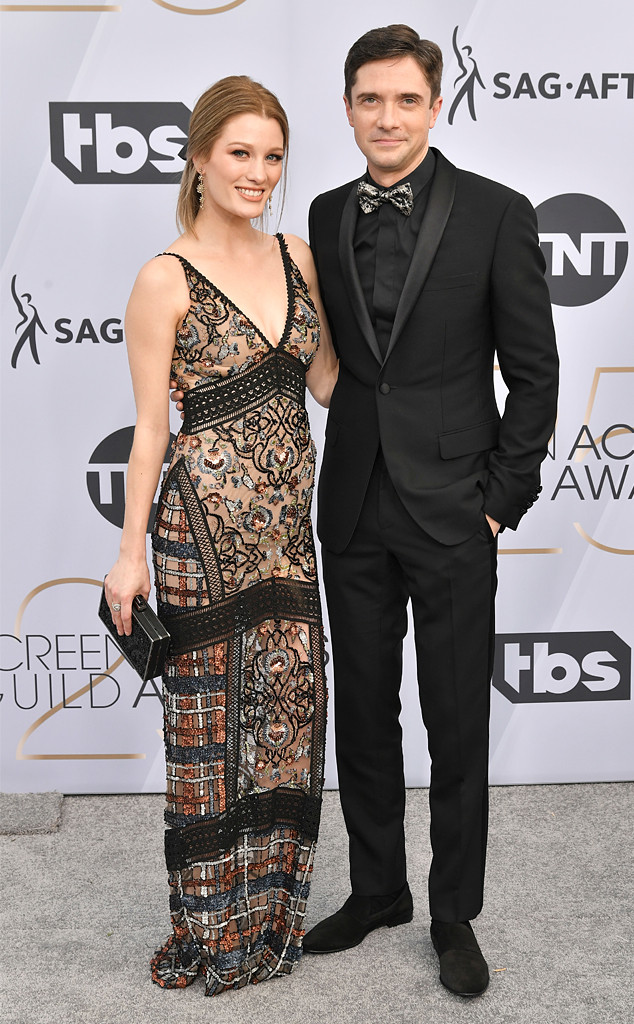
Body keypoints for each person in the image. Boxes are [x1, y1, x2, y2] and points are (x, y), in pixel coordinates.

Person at [302, 26, 559, 997]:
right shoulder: (325, 215)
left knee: (455, 721)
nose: (386, 117)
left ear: (434, 105)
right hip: (355, 502)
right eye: (370, 99)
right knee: (362, 713)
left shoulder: (497, 214)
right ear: (348, 107)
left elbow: (533, 374)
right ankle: (378, 890)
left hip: (456, 510)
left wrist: (499, 503)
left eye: (405, 100)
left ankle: (452, 911)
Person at [105, 75, 337, 996]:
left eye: (272, 155)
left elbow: (324, 384)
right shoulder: (163, 278)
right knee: (209, 736)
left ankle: (273, 918)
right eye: (239, 152)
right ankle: (212, 930)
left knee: (285, 722)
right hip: (199, 539)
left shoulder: (298, 255)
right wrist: (129, 555)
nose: (258, 172)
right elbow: (151, 431)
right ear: (199, 158)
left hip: (288, 535)